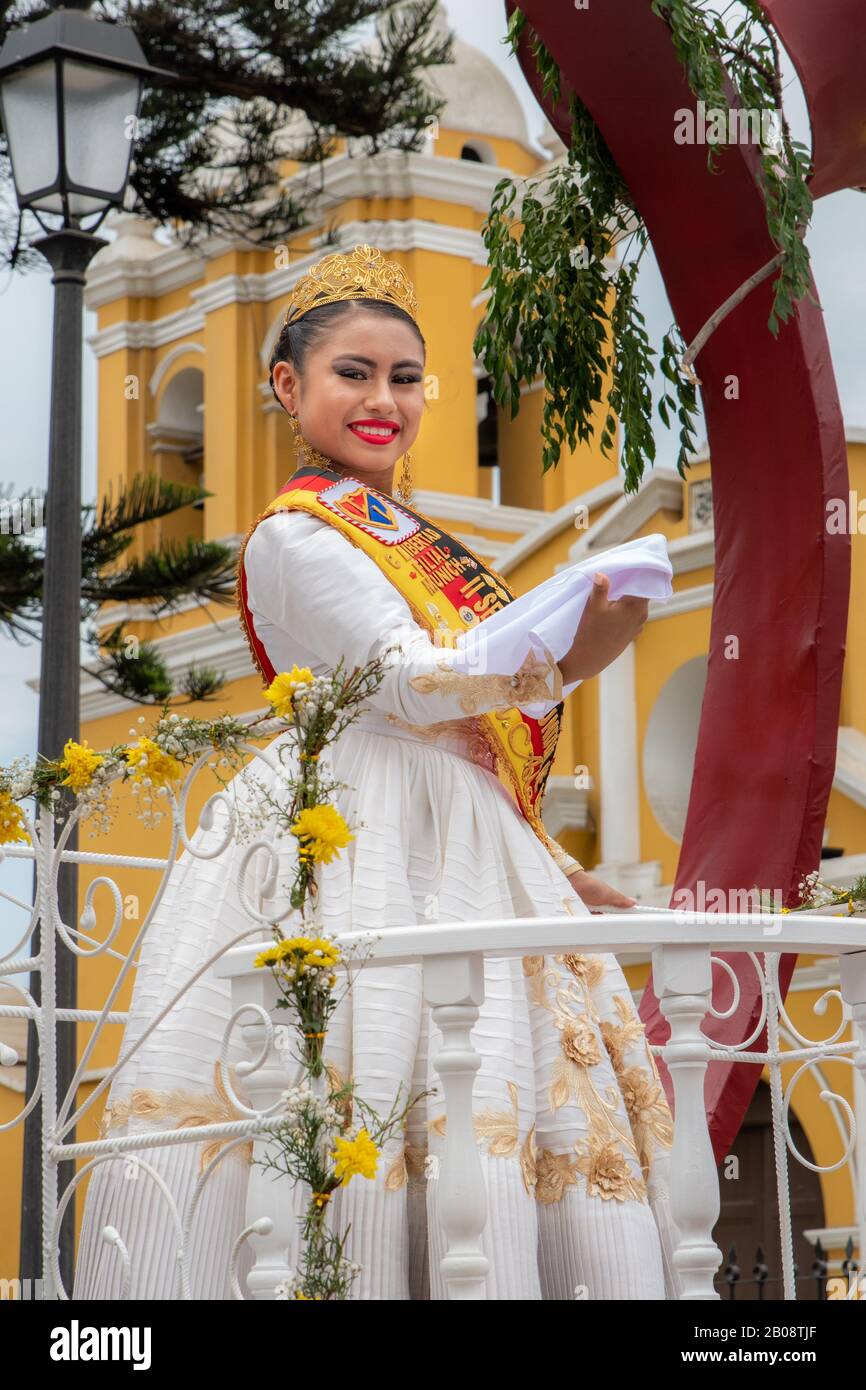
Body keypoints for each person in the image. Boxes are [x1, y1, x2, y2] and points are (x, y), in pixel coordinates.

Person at [73, 244, 682, 1301]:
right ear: (287, 387)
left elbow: (471, 723)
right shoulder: (294, 539)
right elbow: (406, 685)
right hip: (347, 825)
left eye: (403, 377)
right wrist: (568, 648)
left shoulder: (414, 534)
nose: (382, 400)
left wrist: (540, 856)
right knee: (357, 1065)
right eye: (351, 372)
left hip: (459, 833)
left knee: (475, 1076)